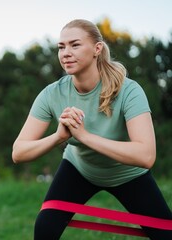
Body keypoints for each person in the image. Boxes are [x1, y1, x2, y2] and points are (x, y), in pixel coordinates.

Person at [12, 19, 172, 239]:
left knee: (166, 235)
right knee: (45, 228)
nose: (65, 53)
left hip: (127, 174)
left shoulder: (130, 91)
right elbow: (18, 152)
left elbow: (146, 155)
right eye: (61, 47)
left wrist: (84, 136)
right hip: (80, 169)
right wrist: (59, 136)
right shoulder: (52, 94)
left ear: (97, 48)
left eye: (75, 45)